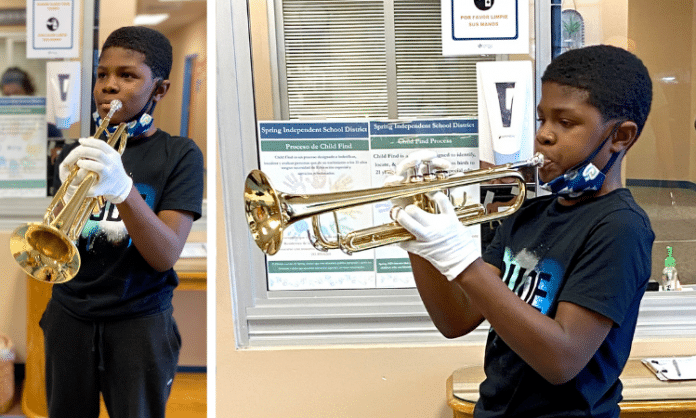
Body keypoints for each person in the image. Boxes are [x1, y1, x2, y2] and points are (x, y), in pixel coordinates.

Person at [391, 45, 654, 417]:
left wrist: (462, 260)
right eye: (541, 119)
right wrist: (420, 237)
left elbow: (561, 359)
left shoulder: (620, 226)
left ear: (621, 136)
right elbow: (456, 320)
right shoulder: (527, 212)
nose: (544, 135)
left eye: (565, 122)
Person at [41, 26, 204, 418]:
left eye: (127, 76)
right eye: (102, 75)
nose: (108, 87)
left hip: (139, 322)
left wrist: (123, 189)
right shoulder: (79, 150)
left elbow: (164, 254)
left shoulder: (180, 154)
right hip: (70, 316)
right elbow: (58, 242)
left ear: (159, 90)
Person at [1, 66, 65, 194]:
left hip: (37, 181)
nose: (12, 99)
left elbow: (59, 144)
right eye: (7, 95)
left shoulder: (43, 118)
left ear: (27, 92)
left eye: (17, 94)